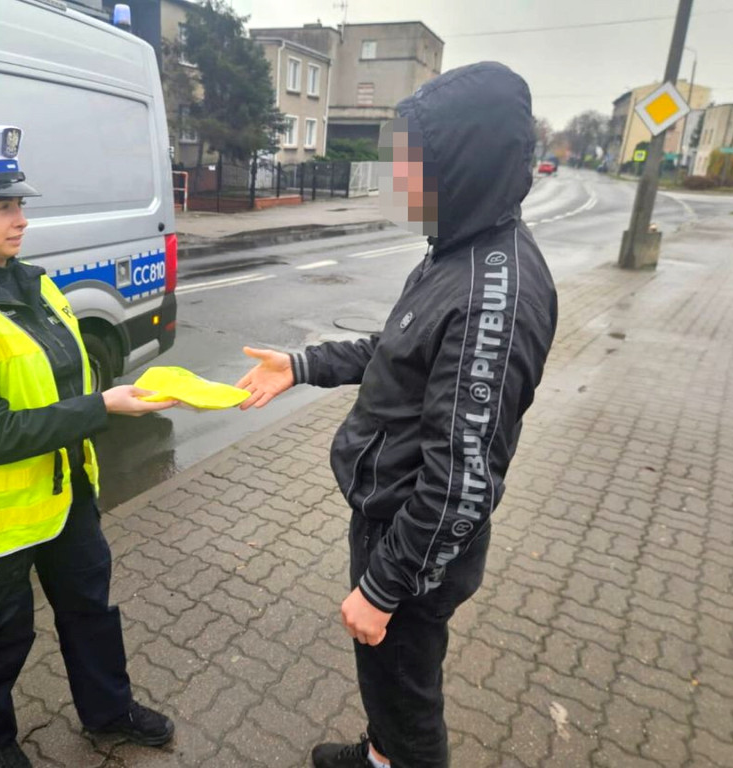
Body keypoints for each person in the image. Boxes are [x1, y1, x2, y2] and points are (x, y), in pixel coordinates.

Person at [236, 62, 559, 768]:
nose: (399, 182)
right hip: (392, 515)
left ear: (462, 165)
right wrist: (302, 365)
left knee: (408, 694)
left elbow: (463, 481)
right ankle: (380, 753)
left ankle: (398, 756)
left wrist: (383, 587)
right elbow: (400, 352)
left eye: (414, 165)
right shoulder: (458, 248)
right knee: (386, 681)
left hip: (414, 544)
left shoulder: (490, 295)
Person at [0, 126, 176, 768]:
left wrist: (115, 394)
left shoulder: (34, 286)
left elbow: (61, 381)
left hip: (63, 491)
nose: (23, 218)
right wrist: (101, 406)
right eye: (5, 206)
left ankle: (108, 712)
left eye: (22, 203)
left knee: (90, 611)